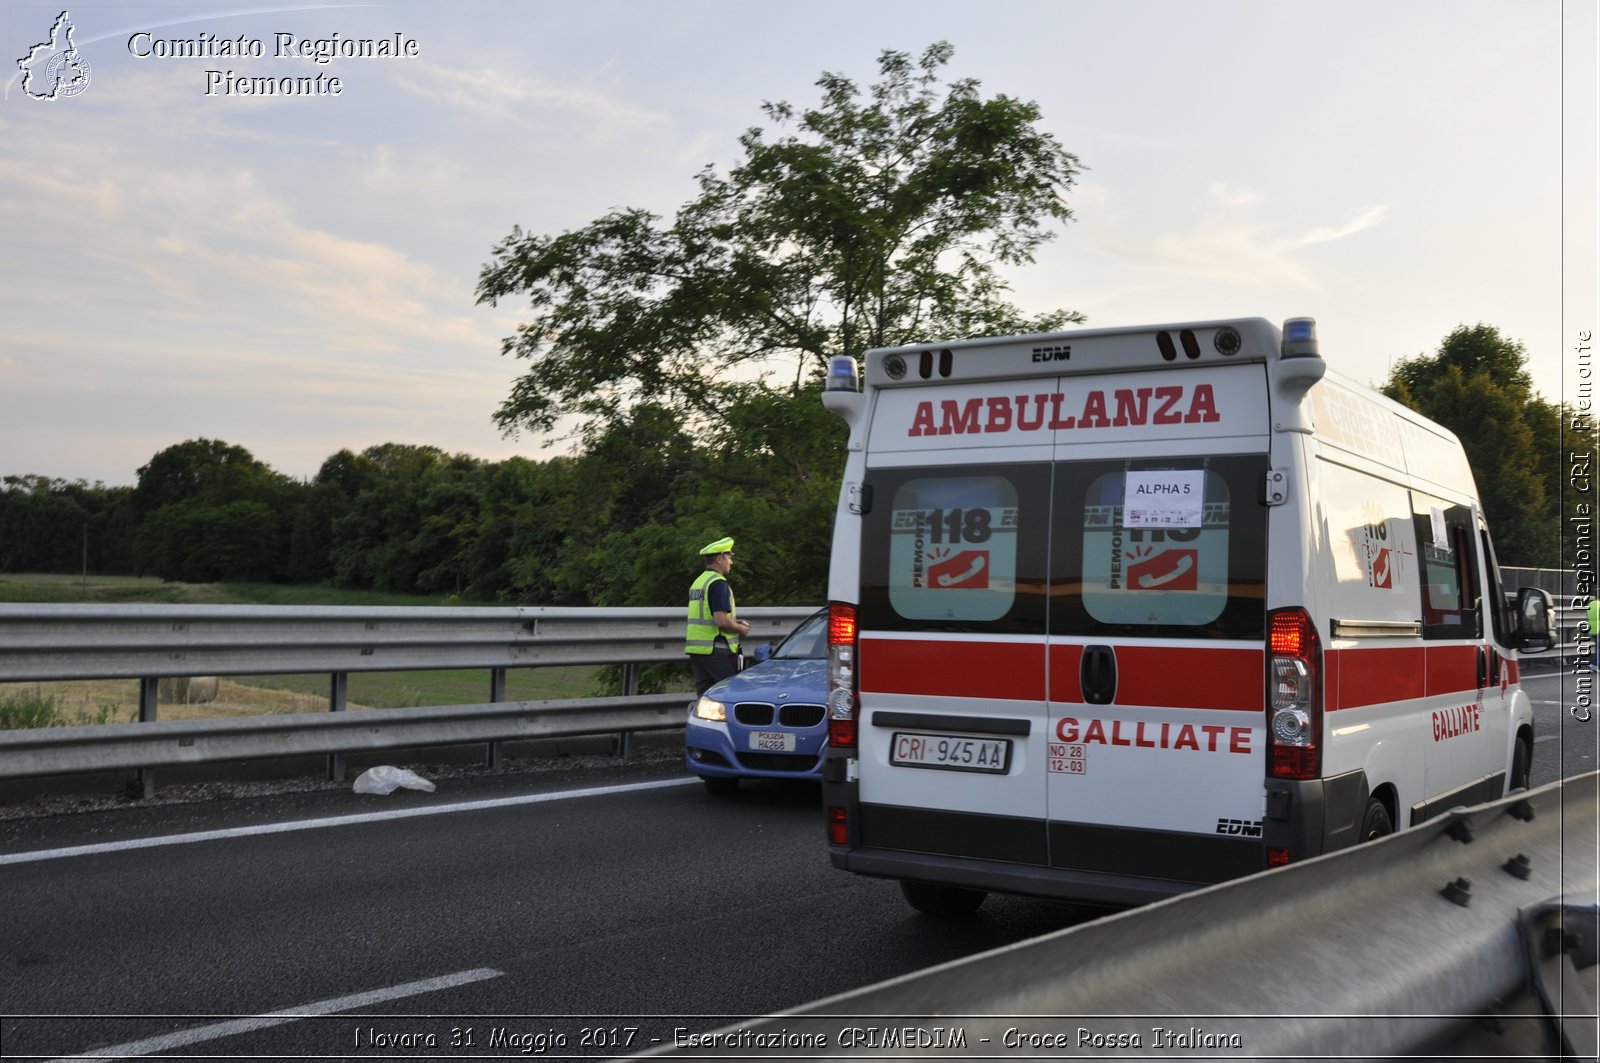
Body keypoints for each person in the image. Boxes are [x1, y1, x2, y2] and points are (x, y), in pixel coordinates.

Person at [686, 536, 751, 696]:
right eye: (729, 557)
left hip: (699, 650)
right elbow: (721, 621)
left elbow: (707, 616)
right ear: (720, 559)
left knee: (706, 697)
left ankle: (700, 721)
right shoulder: (718, 584)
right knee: (731, 694)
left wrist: (732, 621)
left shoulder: (699, 582)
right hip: (717, 649)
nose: (731, 562)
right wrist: (740, 628)